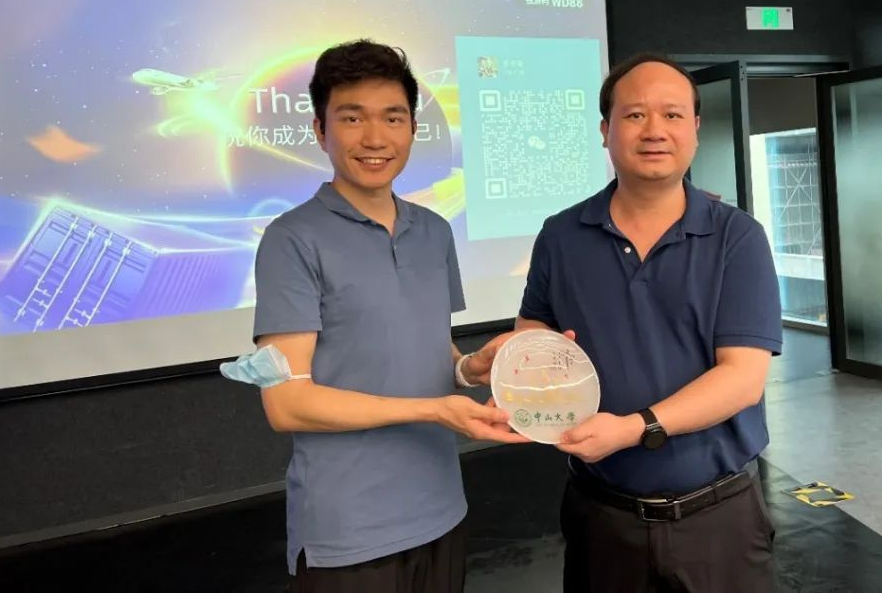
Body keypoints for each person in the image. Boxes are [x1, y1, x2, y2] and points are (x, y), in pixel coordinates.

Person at [251, 39, 524, 593]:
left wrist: (469, 368)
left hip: (441, 509)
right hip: (348, 531)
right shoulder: (291, 240)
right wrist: (434, 410)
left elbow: (427, 350)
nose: (375, 138)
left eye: (393, 118)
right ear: (320, 130)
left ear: (412, 128)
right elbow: (286, 403)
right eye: (352, 118)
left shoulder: (434, 231)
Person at [510, 53, 783, 592]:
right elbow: (532, 332)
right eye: (634, 115)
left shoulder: (737, 238)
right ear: (605, 131)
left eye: (672, 115)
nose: (654, 130)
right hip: (601, 517)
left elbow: (743, 379)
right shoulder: (561, 236)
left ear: (695, 129)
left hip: (718, 516)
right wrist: (529, 367)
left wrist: (634, 428)